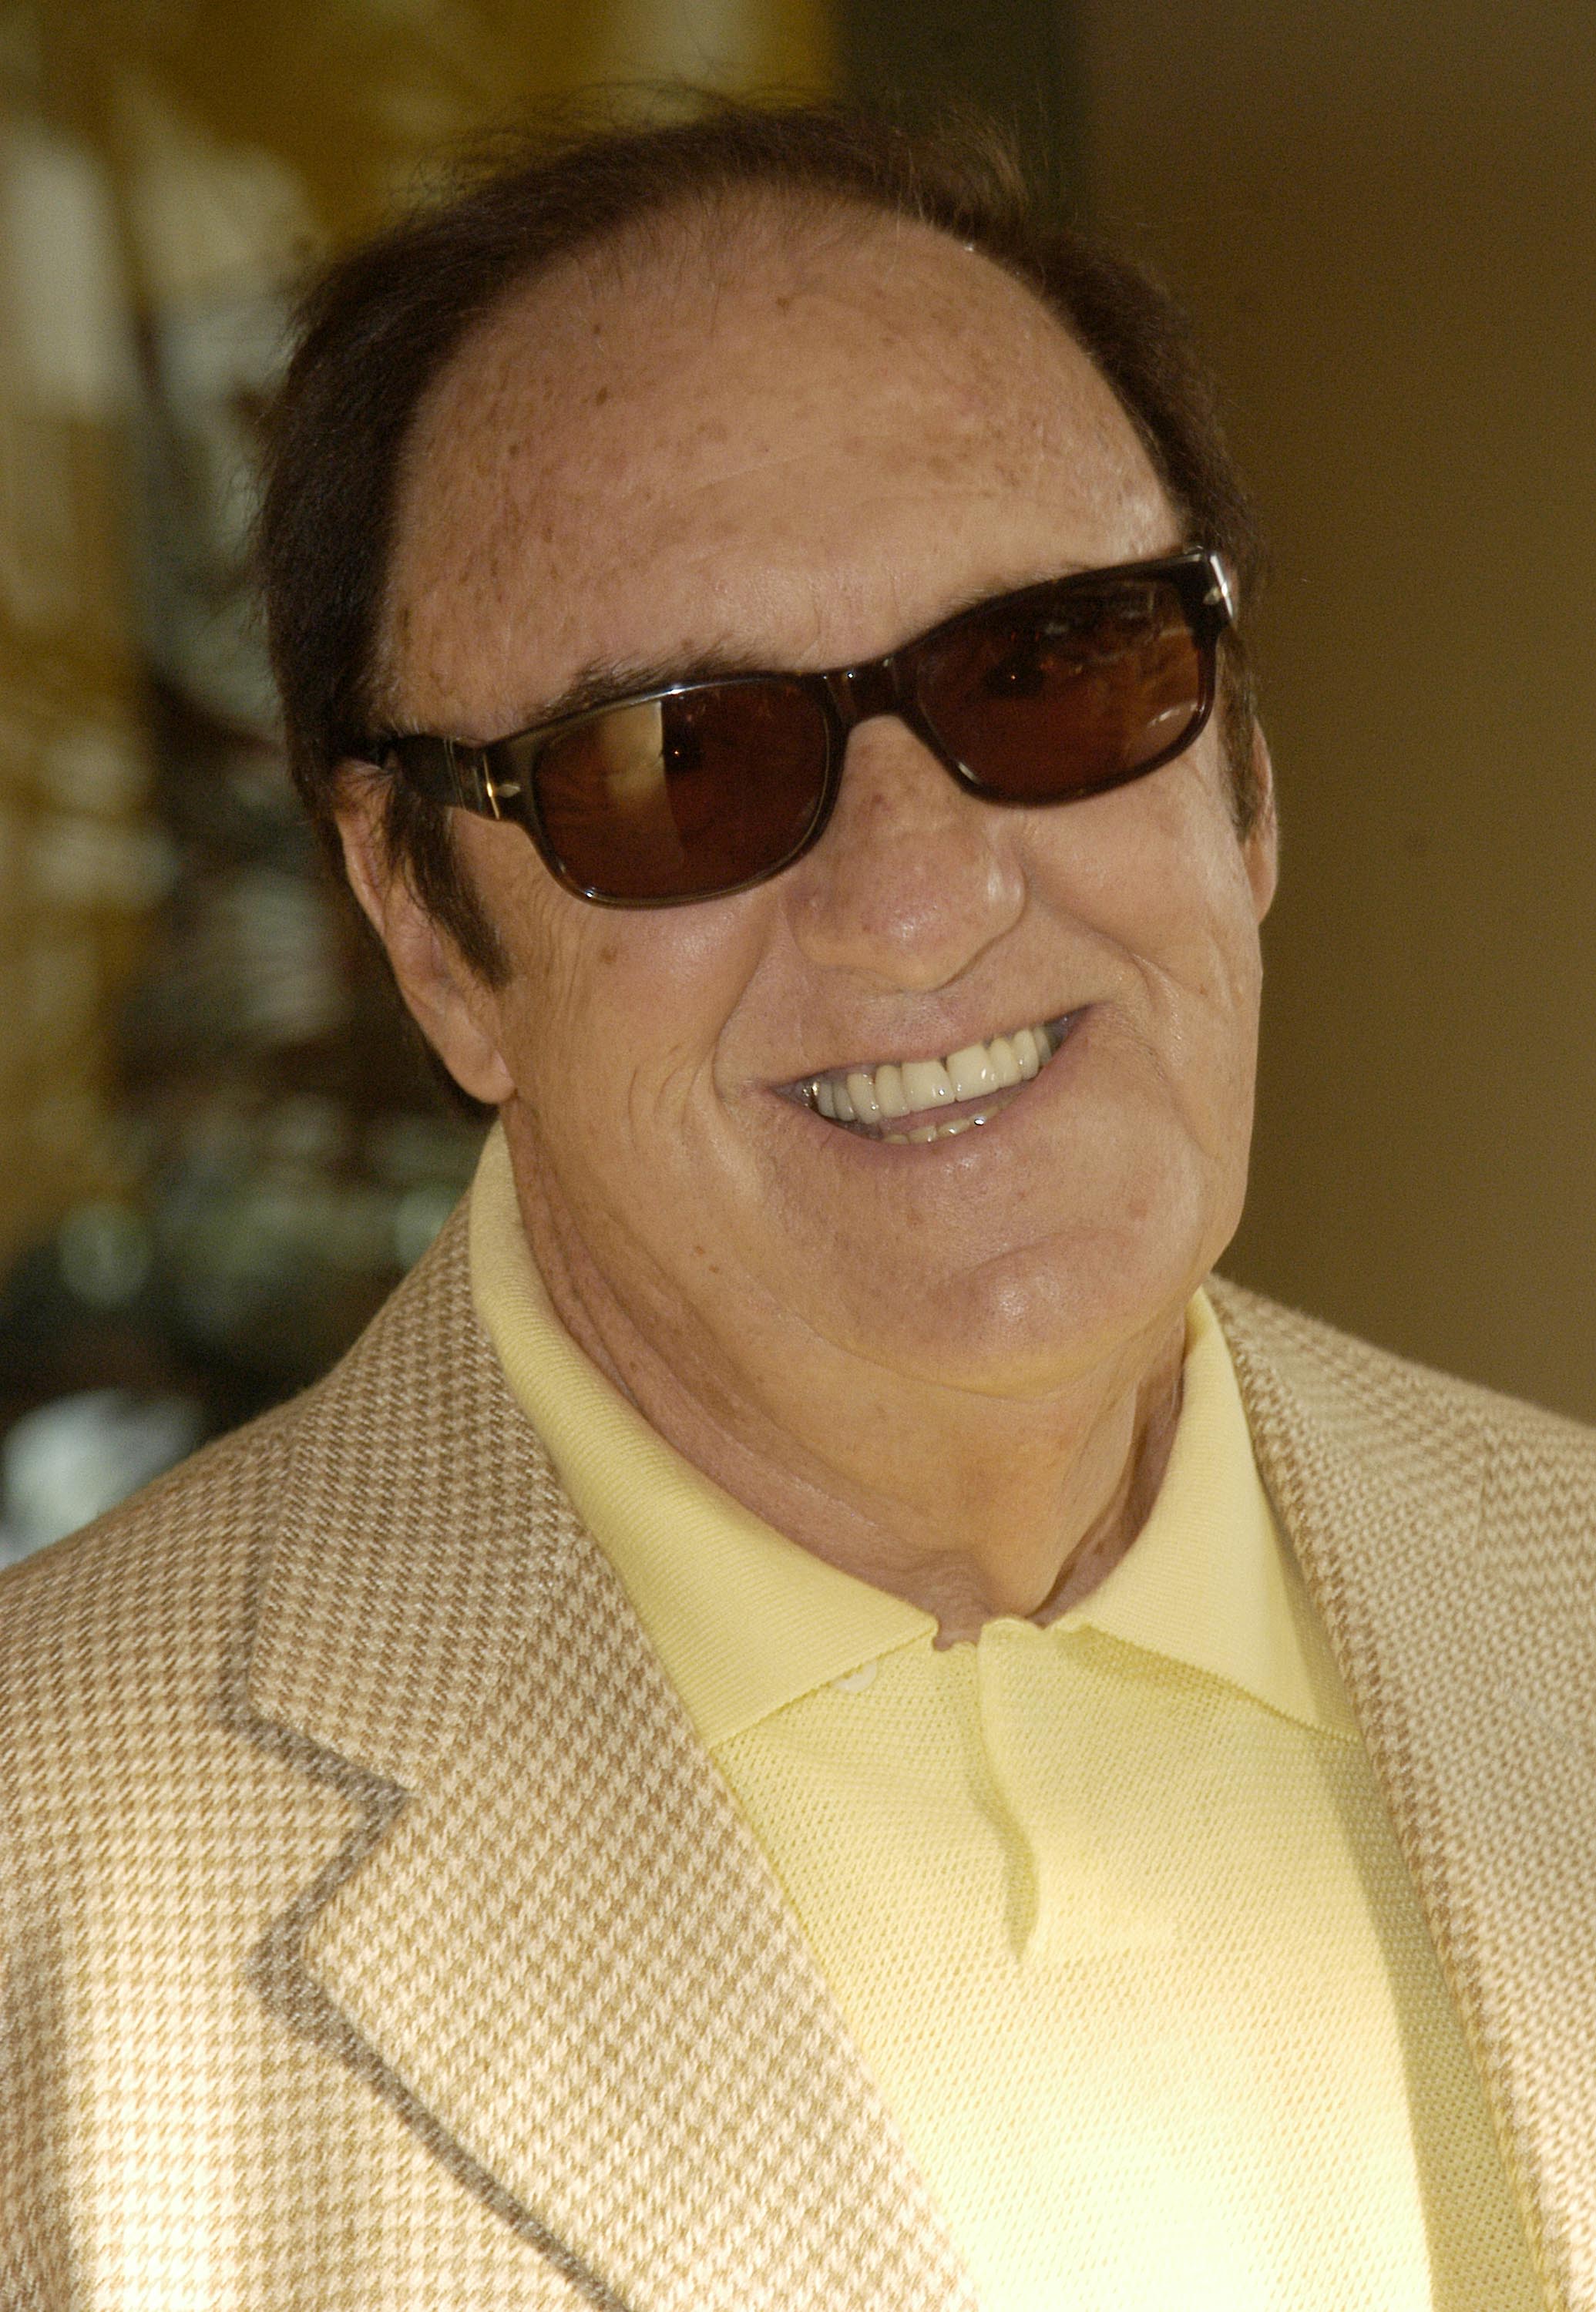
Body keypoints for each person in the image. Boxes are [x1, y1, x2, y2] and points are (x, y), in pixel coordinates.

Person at [2, 100, 1590, 2312]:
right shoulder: (39, 1915)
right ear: (432, 931)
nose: (923, 900)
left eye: (1053, 666)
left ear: (1242, 774)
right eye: (683, 760)